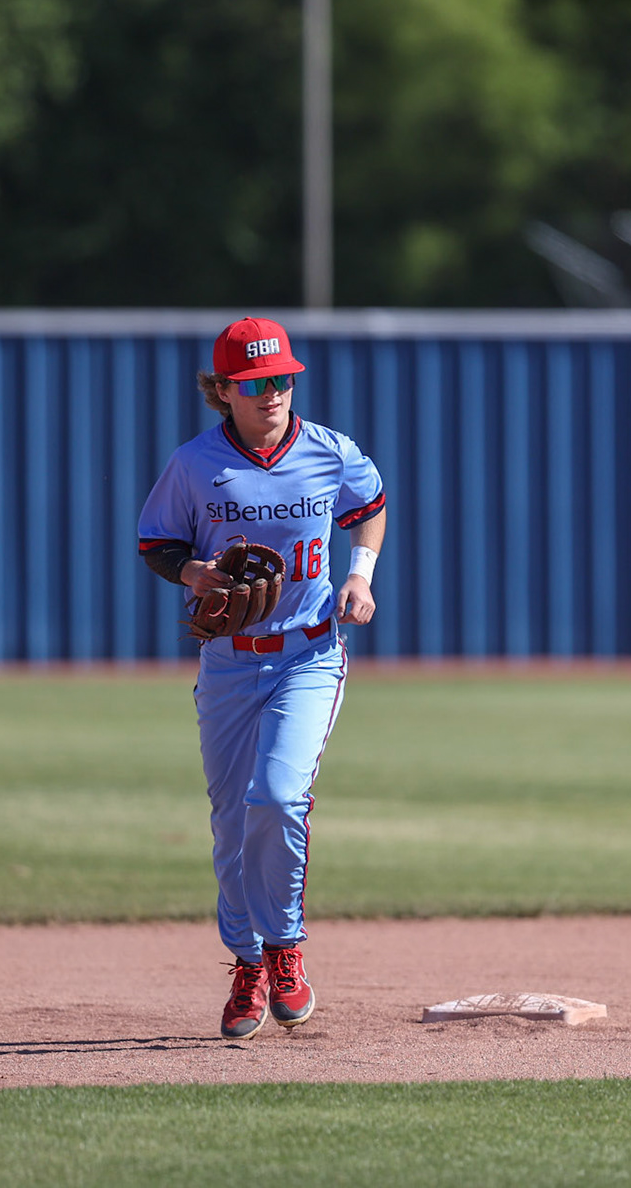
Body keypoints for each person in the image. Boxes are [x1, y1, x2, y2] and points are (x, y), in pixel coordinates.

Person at [136, 316, 387, 1040]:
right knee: (229, 822)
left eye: (282, 378)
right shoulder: (195, 464)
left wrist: (361, 577)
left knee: (276, 797)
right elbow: (157, 542)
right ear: (222, 391)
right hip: (227, 660)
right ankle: (246, 962)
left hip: (310, 654)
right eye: (256, 382)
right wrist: (194, 571)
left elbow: (368, 510)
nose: (273, 392)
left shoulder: (329, 452)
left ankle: (285, 948)